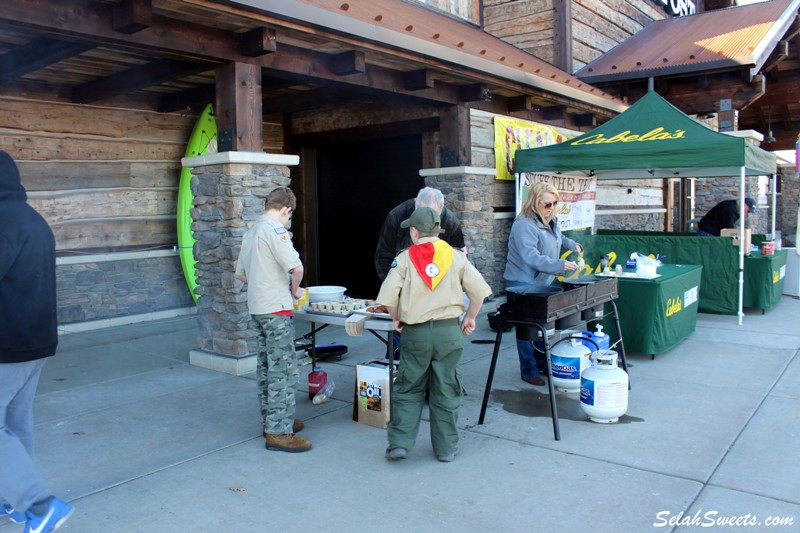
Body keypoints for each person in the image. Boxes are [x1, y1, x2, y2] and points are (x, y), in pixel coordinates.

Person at [377, 207, 491, 462]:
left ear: (414, 231)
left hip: (415, 333)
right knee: (447, 389)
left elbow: (387, 297)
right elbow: (480, 292)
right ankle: (445, 448)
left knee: (408, 387)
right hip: (448, 332)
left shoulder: (404, 258)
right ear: (438, 231)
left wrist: (396, 318)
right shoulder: (456, 257)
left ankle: (400, 444)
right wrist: (470, 318)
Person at [0, 151, 74, 532]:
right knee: (15, 421)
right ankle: (13, 499)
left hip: (7, 343)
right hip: (36, 342)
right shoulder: (32, 219)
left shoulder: (3, 221)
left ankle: (38, 503)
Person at [235, 187, 310, 453]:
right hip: (276, 309)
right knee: (285, 369)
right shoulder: (275, 230)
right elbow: (296, 267)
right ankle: (279, 432)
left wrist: (262, 281)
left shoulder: (251, 232)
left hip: (257, 307)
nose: (288, 220)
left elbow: (241, 274)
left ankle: (273, 420)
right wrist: (294, 289)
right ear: (286, 209)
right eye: (289, 216)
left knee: (267, 366)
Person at [503, 182, 583, 387]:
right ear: (535, 202)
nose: (552, 208)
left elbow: (558, 237)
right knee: (528, 329)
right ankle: (528, 370)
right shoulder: (524, 225)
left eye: (555, 203)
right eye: (548, 204)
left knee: (543, 325)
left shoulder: (549, 219)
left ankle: (540, 362)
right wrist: (559, 265)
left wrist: (571, 244)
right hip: (522, 282)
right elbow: (531, 257)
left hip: (541, 281)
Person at [374, 187, 466, 359]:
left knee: (437, 353)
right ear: (415, 203)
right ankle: (396, 377)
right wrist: (397, 290)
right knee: (399, 348)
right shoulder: (397, 216)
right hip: (404, 296)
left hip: (438, 300)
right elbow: (383, 256)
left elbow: (459, 256)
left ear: (442, 207)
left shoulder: (451, 222)